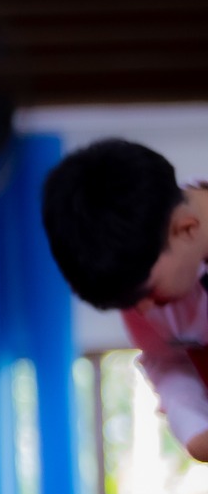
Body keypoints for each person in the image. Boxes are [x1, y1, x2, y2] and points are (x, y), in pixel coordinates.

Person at [42, 139, 208, 462]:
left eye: (148, 292)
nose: (143, 309)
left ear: (185, 228)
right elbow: (165, 359)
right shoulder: (140, 284)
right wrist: (196, 431)